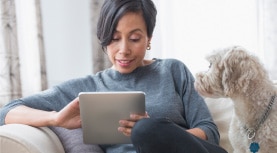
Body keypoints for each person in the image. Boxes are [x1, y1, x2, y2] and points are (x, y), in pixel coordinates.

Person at [0, 0, 227, 153]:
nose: (123, 50)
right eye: (114, 38)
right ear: (103, 37)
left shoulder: (172, 70)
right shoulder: (87, 87)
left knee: (145, 129)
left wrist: (160, 132)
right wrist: (56, 119)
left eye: (135, 38)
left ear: (149, 38)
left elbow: (208, 131)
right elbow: (7, 112)